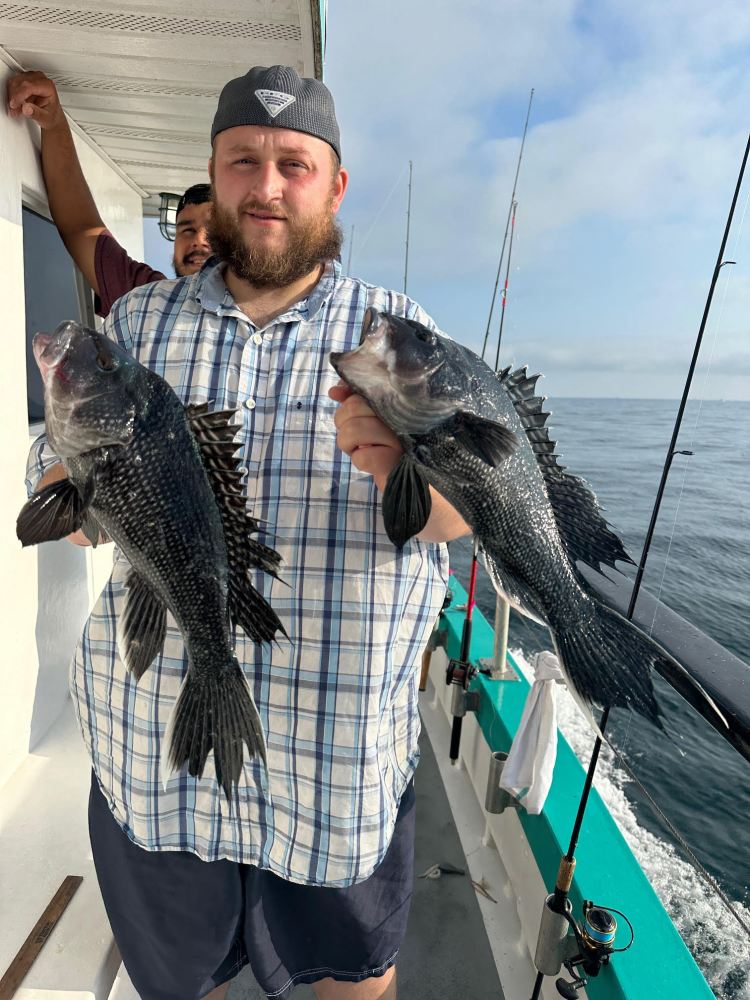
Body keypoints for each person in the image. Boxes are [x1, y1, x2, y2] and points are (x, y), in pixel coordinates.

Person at [26, 65, 470, 1000]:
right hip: (155, 754)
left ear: (334, 184)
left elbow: (466, 512)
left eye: (293, 164)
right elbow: (58, 471)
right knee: (184, 982)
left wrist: (404, 476)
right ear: (215, 172)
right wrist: (77, 490)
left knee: (354, 979)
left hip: (334, 761)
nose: (267, 185)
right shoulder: (137, 320)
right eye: (243, 161)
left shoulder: (399, 336)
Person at [7, 71, 212, 317]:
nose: (199, 240)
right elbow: (80, 225)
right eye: (186, 229)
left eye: (214, 231)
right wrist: (54, 122)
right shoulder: (146, 297)